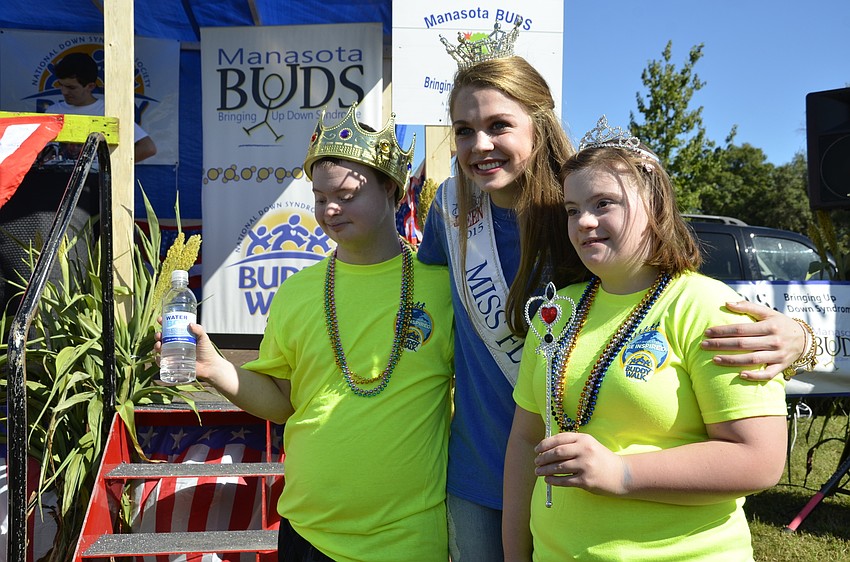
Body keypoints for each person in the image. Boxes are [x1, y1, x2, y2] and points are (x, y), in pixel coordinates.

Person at [417, 29, 810, 561]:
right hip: (485, 461)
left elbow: (680, 291)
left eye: (499, 126)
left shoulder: (583, 201)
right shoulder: (449, 208)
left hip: (600, 479)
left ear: (539, 124)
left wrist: (800, 334)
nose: (480, 145)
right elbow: (427, 299)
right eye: (464, 130)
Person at [156, 106, 453, 561]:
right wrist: (215, 368)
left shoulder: (443, 288)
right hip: (306, 535)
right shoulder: (297, 292)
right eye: (319, 197)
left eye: (347, 194)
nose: (330, 209)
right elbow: (283, 401)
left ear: (391, 189)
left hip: (406, 541)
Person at [502, 115, 788, 560]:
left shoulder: (708, 306)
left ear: (654, 206)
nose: (583, 222)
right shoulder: (556, 312)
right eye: (573, 209)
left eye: (604, 203)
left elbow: (760, 459)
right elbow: (524, 441)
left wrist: (621, 473)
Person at [50, 52, 157, 162]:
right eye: (61, 85)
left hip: (97, 179)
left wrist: (108, 168)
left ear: (90, 86)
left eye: (71, 87)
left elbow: (148, 147)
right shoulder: (52, 111)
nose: (64, 91)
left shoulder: (107, 111)